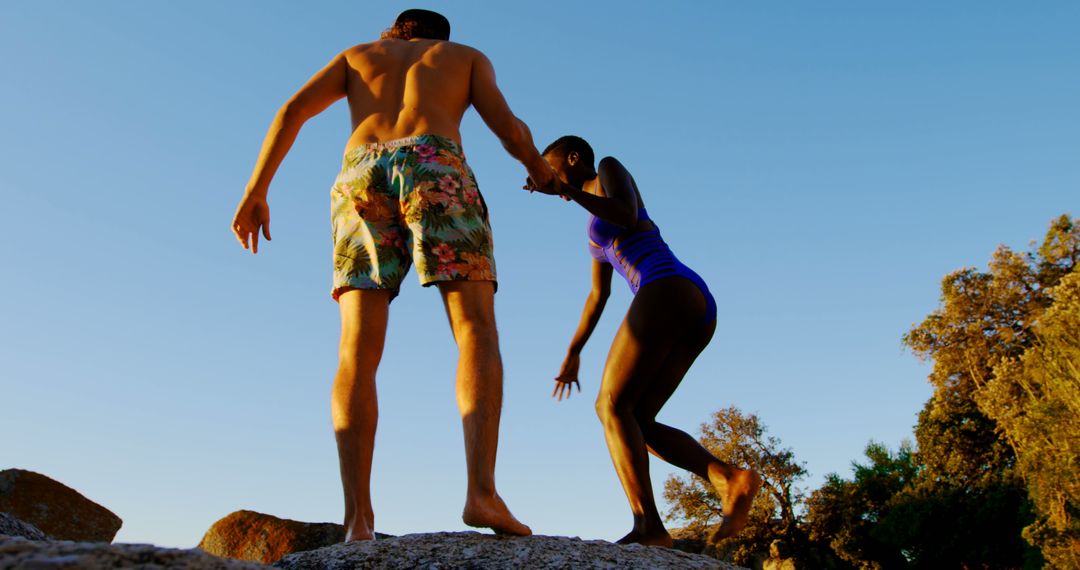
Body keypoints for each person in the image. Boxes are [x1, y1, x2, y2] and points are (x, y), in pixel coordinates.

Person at [231, 9, 555, 541]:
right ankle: (482, 493)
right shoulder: (465, 57)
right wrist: (539, 172)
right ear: (438, 37)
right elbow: (510, 129)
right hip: (435, 163)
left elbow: (293, 109)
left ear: (396, 31)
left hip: (359, 171)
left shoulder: (359, 56)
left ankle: (358, 517)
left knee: (356, 347)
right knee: (474, 327)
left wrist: (256, 189)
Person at [527, 135, 762, 547]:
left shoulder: (608, 171)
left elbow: (627, 216)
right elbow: (598, 296)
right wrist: (573, 352)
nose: (547, 179)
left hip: (667, 286)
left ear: (573, 158)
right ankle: (729, 478)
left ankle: (648, 527)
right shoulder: (591, 234)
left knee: (611, 406)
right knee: (637, 422)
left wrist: (564, 188)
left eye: (550, 169)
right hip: (687, 306)